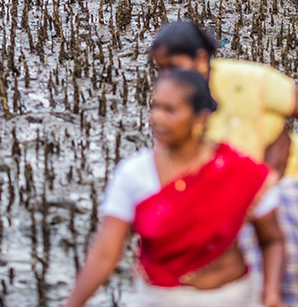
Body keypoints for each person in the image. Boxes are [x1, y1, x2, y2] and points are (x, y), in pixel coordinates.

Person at [151, 21, 298, 307]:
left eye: (173, 66)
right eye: (161, 70)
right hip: (236, 190)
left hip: (291, 180)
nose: (167, 77)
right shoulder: (180, 107)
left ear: (200, 59)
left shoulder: (251, 79)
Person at [64, 70, 286, 307]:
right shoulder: (133, 174)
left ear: (200, 119)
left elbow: (272, 240)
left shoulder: (239, 172)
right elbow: (105, 254)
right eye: (155, 107)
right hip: (161, 299)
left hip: (232, 297)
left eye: (170, 110)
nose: (157, 118)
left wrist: (271, 293)